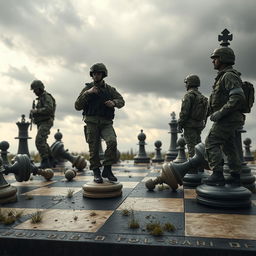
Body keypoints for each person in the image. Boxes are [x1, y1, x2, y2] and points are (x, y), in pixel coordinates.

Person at [75, 63, 125, 183]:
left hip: (106, 123)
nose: (96, 76)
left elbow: (121, 101)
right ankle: (96, 172)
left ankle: (107, 169)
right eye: (94, 73)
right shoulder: (87, 89)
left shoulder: (110, 89)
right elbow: (77, 106)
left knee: (112, 142)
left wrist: (114, 102)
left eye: (99, 73)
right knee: (94, 150)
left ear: (103, 74)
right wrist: (88, 93)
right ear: (91, 75)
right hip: (91, 122)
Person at [204, 46, 246, 186]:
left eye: (215, 58)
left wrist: (220, 113)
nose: (213, 61)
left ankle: (217, 174)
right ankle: (235, 175)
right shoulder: (224, 76)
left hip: (228, 118)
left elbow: (237, 97)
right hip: (229, 118)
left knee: (211, 142)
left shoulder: (229, 76)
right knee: (229, 146)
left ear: (223, 59)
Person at [177, 74, 208, 157]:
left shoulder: (188, 95)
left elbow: (184, 112)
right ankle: (200, 168)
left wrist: (180, 124)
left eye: (186, 83)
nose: (186, 85)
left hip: (190, 126)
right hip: (199, 125)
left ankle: (194, 169)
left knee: (192, 151)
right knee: (199, 149)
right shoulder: (202, 97)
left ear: (190, 83)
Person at [30, 80, 56, 168]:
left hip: (46, 121)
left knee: (39, 140)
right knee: (43, 141)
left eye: (35, 90)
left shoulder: (46, 97)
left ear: (40, 88)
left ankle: (45, 161)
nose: (34, 92)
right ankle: (51, 160)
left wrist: (36, 111)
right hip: (42, 122)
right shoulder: (41, 98)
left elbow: (49, 109)